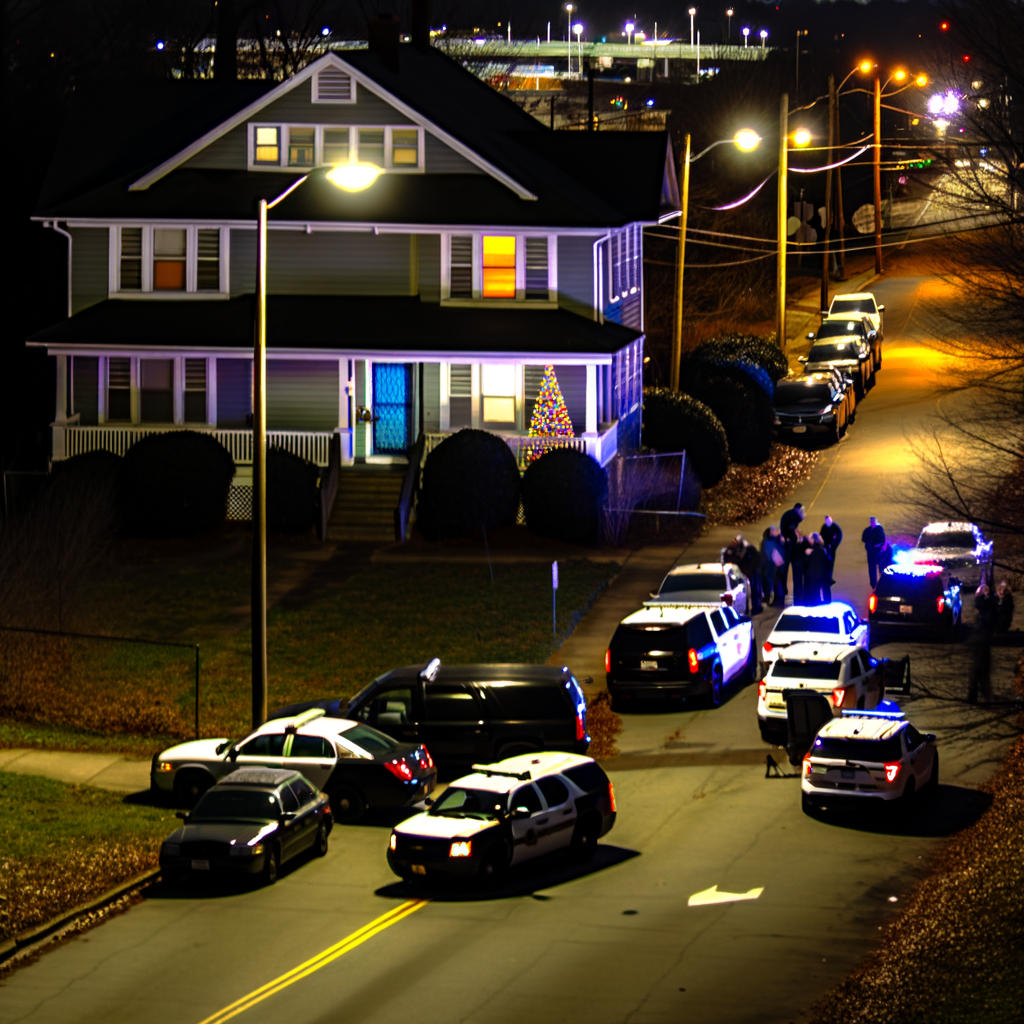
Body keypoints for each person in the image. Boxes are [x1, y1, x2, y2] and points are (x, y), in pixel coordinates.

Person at [968, 582, 995, 703]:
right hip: (982, 645)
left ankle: (976, 696)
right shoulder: (986, 610)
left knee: (978, 672)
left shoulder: (984, 613)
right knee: (981, 673)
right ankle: (983, 696)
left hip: (981, 645)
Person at [723, 533, 763, 615]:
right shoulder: (737, 550)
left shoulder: (748, 549)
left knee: (752, 590)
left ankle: (754, 607)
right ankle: (753, 608)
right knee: (748, 591)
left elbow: (756, 559)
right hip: (743, 572)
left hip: (749, 572)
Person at [779, 503, 806, 596]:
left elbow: (790, 528)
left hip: (786, 545)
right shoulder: (794, 517)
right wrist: (796, 538)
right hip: (790, 547)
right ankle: (795, 593)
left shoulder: (789, 514)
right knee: (793, 571)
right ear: (798, 510)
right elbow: (791, 529)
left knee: (784, 570)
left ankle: (783, 590)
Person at [802, 533, 833, 606]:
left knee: (814, 597)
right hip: (823, 576)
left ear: (813, 539)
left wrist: (807, 556)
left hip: (814, 577)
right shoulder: (823, 549)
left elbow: (808, 564)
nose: (808, 540)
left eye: (809, 538)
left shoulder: (813, 551)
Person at [761, 527, 786, 606]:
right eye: (774, 530)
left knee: (773, 582)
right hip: (771, 566)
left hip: (773, 566)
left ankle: (772, 598)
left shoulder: (770, 541)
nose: (776, 531)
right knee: (772, 582)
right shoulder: (769, 542)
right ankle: (771, 598)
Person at [861, 516, 887, 588]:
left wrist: (877, 546)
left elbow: (882, 540)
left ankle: (882, 583)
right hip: (870, 552)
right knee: (872, 569)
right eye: (871, 521)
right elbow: (864, 538)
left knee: (880, 567)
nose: (872, 523)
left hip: (878, 551)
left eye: (873, 521)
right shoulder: (868, 530)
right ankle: (874, 585)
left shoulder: (879, 530)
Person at [821, 515, 843, 581]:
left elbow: (840, 536)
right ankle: (827, 576)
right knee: (825, 562)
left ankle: (829, 576)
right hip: (826, 547)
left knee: (831, 562)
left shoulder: (835, 527)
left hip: (832, 547)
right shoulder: (824, 527)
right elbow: (821, 536)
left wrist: (835, 545)